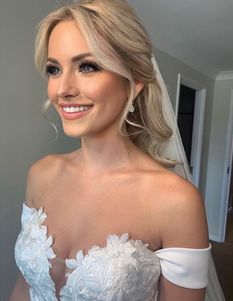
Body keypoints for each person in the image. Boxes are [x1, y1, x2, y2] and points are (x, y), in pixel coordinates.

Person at [10, 0, 220, 300]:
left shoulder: (176, 203)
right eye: (54, 69)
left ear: (134, 82)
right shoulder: (40, 174)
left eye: (87, 66)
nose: (62, 89)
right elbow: (24, 285)